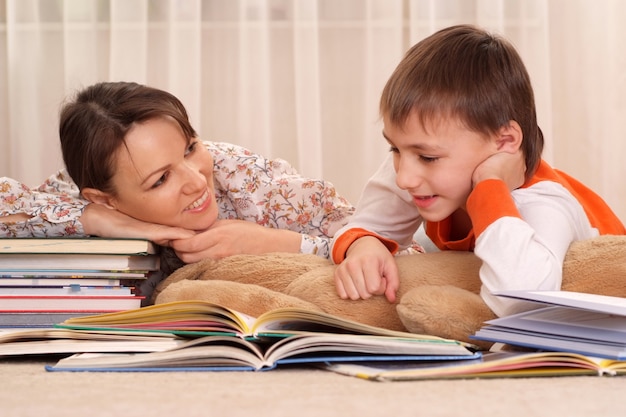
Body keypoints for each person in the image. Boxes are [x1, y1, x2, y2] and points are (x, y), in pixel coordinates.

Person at [330, 24, 625, 318]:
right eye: (395, 149)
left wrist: (489, 187)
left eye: (428, 157)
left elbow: (522, 302)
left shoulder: (543, 201)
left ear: (505, 142)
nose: (403, 177)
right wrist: (364, 244)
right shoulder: (418, 163)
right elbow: (367, 224)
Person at [0, 81, 358, 300]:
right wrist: (103, 221)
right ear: (105, 198)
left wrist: (276, 243)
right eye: (160, 179)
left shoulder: (250, 181)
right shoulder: (78, 195)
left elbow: (396, 252)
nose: (196, 181)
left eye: (190, 148)